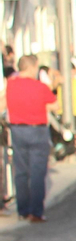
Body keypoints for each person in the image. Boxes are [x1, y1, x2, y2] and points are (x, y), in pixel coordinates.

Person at [5, 54, 56, 222]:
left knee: (21, 171)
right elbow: (54, 105)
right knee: (37, 172)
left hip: (17, 130)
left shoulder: (10, 86)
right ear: (33, 67)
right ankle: (36, 212)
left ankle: (23, 210)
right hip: (37, 130)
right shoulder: (39, 86)